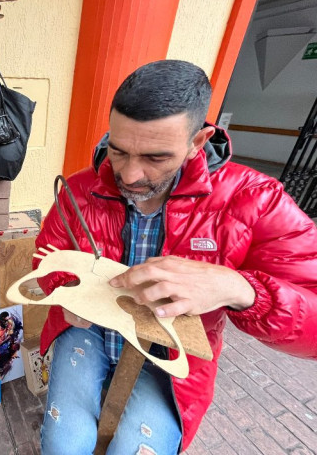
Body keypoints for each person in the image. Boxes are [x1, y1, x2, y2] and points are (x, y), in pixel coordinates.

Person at [36, 60, 317, 454]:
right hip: (89, 332)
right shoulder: (81, 187)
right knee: (64, 446)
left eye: (156, 158)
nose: (131, 175)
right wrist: (63, 292)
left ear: (197, 142)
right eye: (118, 151)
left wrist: (239, 288)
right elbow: (46, 261)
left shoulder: (254, 199)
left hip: (169, 353)